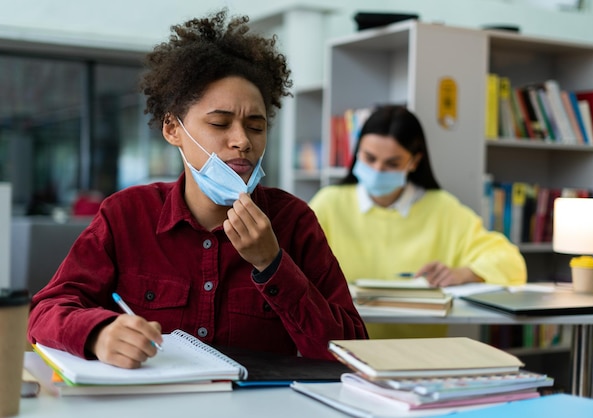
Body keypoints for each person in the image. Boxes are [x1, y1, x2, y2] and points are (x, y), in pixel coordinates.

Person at [27, 9, 367, 369]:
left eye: (256, 126)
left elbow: (353, 351)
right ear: (173, 129)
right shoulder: (126, 214)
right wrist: (98, 333)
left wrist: (272, 264)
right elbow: (45, 311)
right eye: (220, 123)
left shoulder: (293, 221)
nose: (241, 141)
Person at [309, 105, 526, 338]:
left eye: (392, 164)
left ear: (414, 162)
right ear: (356, 152)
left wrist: (466, 273)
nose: (378, 169)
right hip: (341, 350)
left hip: (418, 356)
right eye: (369, 158)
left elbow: (512, 263)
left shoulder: (443, 209)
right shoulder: (328, 204)